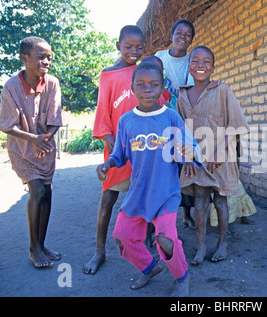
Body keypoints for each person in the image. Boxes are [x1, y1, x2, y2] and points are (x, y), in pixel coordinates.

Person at [97, 62, 200, 296]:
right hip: (139, 192)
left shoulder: (171, 117)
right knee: (122, 238)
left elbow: (191, 145)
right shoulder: (126, 121)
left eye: (154, 85)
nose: (147, 89)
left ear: (161, 87)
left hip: (165, 192)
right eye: (141, 85)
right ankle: (150, 267)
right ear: (132, 88)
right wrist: (108, 164)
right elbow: (119, 155)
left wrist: (190, 156)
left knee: (166, 238)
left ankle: (182, 277)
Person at [178, 46, 249, 265]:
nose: (201, 65)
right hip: (197, 159)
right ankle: (201, 247)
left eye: (206, 61)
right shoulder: (182, 96)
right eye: (195, 61)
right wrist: (187, 157)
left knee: (220, 201)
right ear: (189, 66)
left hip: (221, 158)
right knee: (200, 201)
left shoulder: (223, 90)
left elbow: (236, 125)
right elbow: (180, 131)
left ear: (213, 67)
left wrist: (221, 149)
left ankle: (222, 243)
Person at [83, 25, 144, 275]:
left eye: (139, 47)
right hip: (117, 146)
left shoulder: (144, 71)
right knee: (108, 198)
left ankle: (144, 246)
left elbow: (159, 101)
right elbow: (102, 110)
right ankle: (99, 251)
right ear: (118, 45)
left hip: (143, 146)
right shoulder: (108, 75)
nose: (134, 51)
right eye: (128, 46)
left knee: (144, 195)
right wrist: (107, 136)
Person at [0, 36, 62, 268]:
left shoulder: (52, 83)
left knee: (47, 192)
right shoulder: (11, 87)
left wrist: (45, 138)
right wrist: (33, 139)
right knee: (36, 190)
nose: (46, 62)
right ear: (24, 59)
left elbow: (56, 119)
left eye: (49, 58)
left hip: (45, 148)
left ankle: (42, 244)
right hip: (23, 149)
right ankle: (34, 248)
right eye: (41, 57)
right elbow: (8, 125)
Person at [155, 19, 196, 229]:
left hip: (182, 117)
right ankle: (156, 222)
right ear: (171, 35)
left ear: (191, 40)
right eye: (179, 33)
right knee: (162, 168)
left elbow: (188, 91)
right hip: (160, 118)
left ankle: (186, 215)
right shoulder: (159, 57)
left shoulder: (192, 61)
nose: (183, 37)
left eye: (188, 34)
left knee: (184, 168)